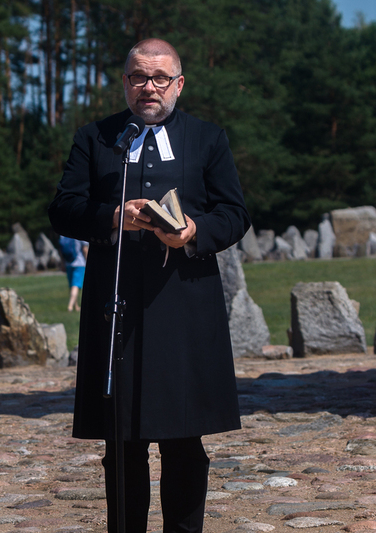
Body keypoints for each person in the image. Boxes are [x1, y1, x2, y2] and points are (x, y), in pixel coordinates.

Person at [48, 38, 250, 533]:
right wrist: (114, 216)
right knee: (123, 444)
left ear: (179, 84)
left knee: (183, 441)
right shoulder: (95, 138)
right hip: (117, 310)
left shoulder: (207, 138)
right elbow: (63, 208)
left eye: (160, 78)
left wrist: (194, 231)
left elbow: (236, 213)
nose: (149, 87)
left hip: (185, 307)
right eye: (139, 77)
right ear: (125, 82)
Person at [59, 235, 89, 311]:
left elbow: (61, 250)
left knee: (72, 285)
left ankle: (76, 306)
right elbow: (85, 249)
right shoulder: (80, 231)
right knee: (75, 285)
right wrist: (88, 263)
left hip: (68, 263)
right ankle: (70, 306)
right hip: (79, 263)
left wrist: (62, 263)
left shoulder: (64, 233)